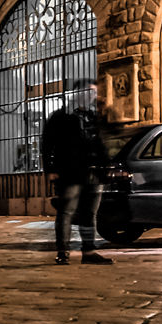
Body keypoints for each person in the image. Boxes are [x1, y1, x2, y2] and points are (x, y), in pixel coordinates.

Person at [40, 84, 112, 265]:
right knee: (66, 212)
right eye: (89, 92)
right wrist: (50, 169)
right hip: (70, 172)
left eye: (94, 93)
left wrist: (107, 167)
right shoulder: (60, 117)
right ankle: (63, 252)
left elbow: (102, 144)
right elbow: (47, 145)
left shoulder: (93, 117)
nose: (92, 95)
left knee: (90, 214)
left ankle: (88, 252)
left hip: (94, 173)